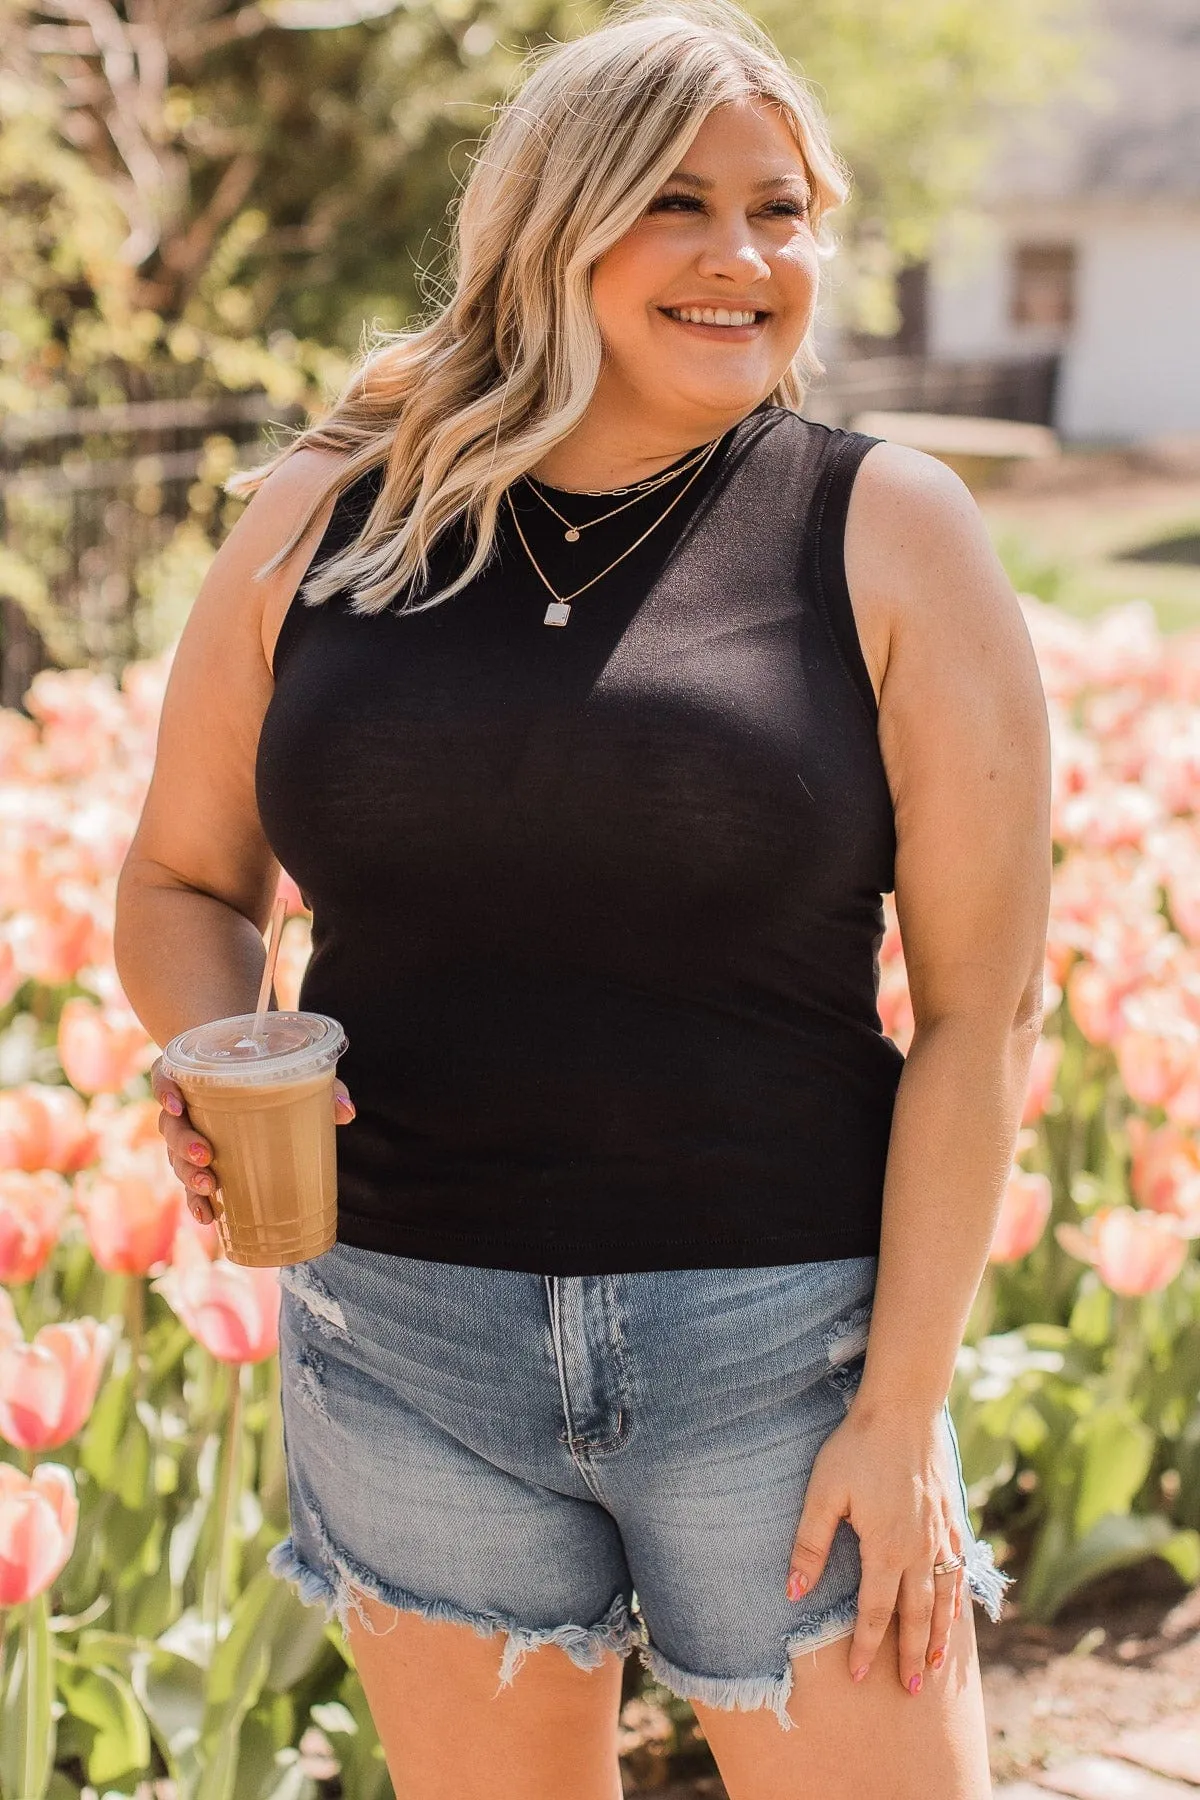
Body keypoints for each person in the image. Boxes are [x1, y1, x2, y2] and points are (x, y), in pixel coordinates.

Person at [114, 0, 1052, 1793]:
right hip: (398, 1335)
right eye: (677, 205)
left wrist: (900, 1410)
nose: (744, 257)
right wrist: (219, 1046)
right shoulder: (327, 520)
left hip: (782, 1351)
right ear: (551, 228)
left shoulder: (888, 528)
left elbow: (985, 1008)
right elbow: (177, 876)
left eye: (781, 210)